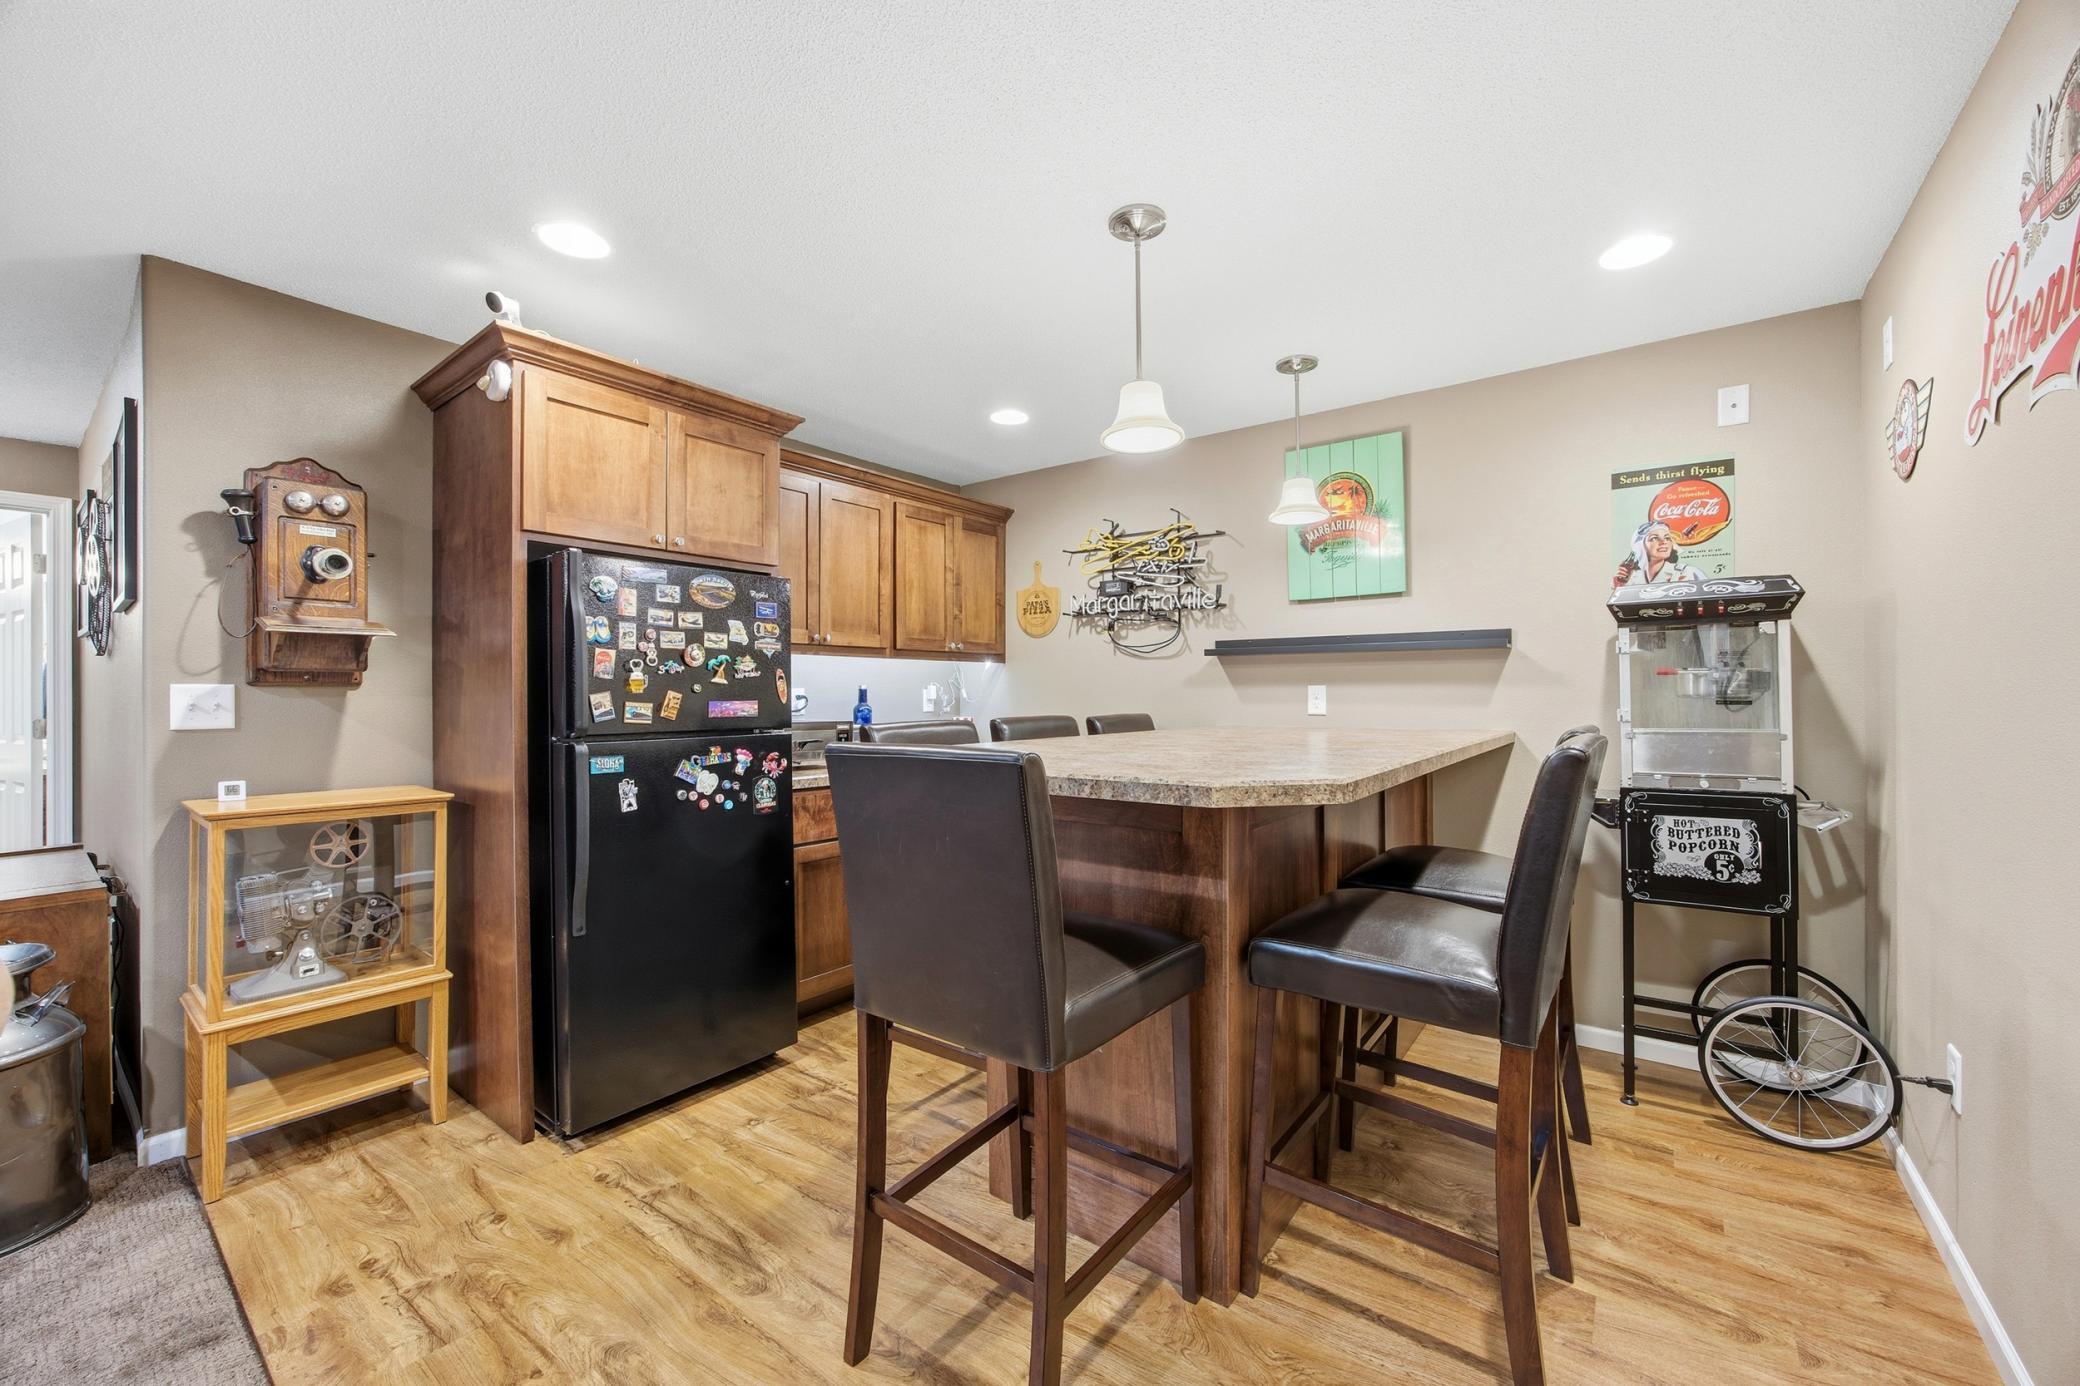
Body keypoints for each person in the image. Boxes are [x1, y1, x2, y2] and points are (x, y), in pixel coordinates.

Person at [1612, 520, 1702, 588]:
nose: (1664, 542)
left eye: (1667, 538)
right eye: (1654, 538)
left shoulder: (1688, 572)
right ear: (1641, 547)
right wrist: (1620, 586)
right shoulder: (1631, 579)